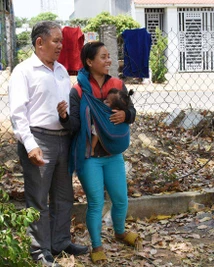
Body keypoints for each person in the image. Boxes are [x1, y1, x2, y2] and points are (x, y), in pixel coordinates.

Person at [8, 21, 88, 266]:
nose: (60, 46)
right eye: (56, 41)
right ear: (39, 43)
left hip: (63, 139)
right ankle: (40, 252)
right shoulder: (24, 71)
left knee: (64, 196)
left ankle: (60, 242)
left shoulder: (62, 70)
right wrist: (31, 145)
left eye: (61, 41)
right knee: (39, 200)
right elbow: (18, 113)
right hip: (39, 140)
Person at [58, 41, 140, 263]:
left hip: (113, 154)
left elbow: (131, 110)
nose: (108, 61)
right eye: (103, 57)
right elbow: (74, 125)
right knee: (96, 202)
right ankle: (96, 245)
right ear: (89, 62)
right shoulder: (78, 90)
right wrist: (64, 117)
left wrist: (126, 116)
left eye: (108, 56)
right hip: (90, 157)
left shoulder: (117, 84)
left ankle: (120, 231)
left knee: (121, 200)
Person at [91, 88, 134, 156]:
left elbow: (132, 112)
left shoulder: (110, 116)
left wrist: (127, 114)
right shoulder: (123, 104)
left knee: (96, 128)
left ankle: (91, 149)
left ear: (116, 108)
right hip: (121, 147)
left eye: (107, 102)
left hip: (114, 150)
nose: (104, 101)